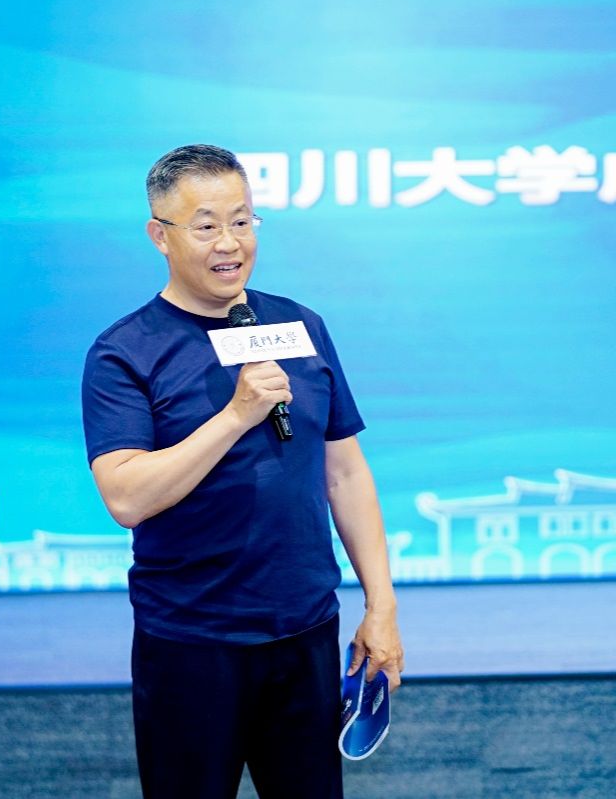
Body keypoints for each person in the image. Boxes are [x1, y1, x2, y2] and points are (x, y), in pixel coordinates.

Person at [82, 144, 404, 799]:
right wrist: (236, 415)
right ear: (160, 236)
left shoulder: (299, 324)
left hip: (305, 629)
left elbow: (344, 473)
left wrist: (382, 605)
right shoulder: (125, 351)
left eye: (242, 221)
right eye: (206, 226)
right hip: (191, 641)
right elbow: (126, 497)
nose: (229, 243)